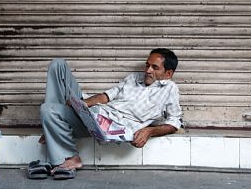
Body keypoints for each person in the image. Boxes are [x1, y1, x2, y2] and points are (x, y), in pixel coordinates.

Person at [38, 48, 182, 179]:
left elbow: (175, 122)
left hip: (107, 126)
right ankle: (53, 125)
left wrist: (149, 131)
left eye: (154, 67)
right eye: (147, 65)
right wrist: (82, 104)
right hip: (93, 113)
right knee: (58, 65)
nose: (148, 70)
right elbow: (106, 96)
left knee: (47, 109)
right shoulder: (133, 78)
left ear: (168, 73)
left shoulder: (170, 89)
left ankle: (70, 157)